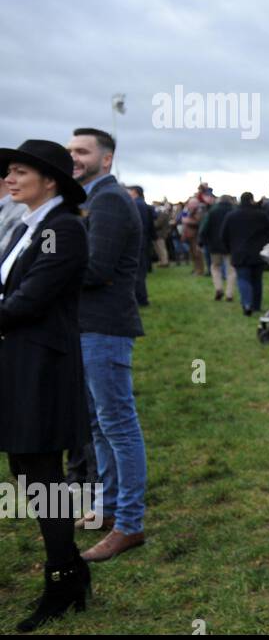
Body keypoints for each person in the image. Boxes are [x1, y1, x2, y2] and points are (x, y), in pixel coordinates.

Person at [0, 140, 93, 631]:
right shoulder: (30, 225)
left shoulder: (63, 230)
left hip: (42, 368)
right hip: (21, 363)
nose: (9, 179)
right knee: (30, 474)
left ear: (50, 180)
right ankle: (70, 569)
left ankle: (61, 577)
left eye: (18, 171)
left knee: (41, 476)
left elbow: (28, 301)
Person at [66, 127, 150, 564]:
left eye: (82, 151)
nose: (73, 158)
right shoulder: (91, 199)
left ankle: (129, 525)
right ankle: (106, 508)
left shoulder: (111, 200)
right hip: (88, 326)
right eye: (70, 151)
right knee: (99, 425)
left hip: (105, 328)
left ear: (107, 159)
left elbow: (97, 269)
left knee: (118, 425)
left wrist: (47, 274)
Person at [220, 192, 269, 315]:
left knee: (243, 278)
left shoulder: (231, 216)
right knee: (257, 280)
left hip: (239, 252)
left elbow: (224, 234)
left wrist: (230, 247)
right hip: (258, 252)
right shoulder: (260, 215)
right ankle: (256, 305)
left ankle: (246, 303)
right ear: (252, 200)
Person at [200, 194, 237, 302]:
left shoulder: (212, 212)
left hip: (214, 245)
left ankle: (218, 288)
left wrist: (202, 241)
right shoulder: (234, 211)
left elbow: (204, 227)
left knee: (215, 267)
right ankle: (229, 294)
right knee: (231, 269)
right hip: (230, 245)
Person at [126, 186, 155, 307]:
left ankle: (141, 298)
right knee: (140, 270)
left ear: (135, 192)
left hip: (140, 240)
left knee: (138, 271)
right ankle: (141, 297)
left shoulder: (136, 204)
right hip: (145, 239)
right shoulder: (143, 204)